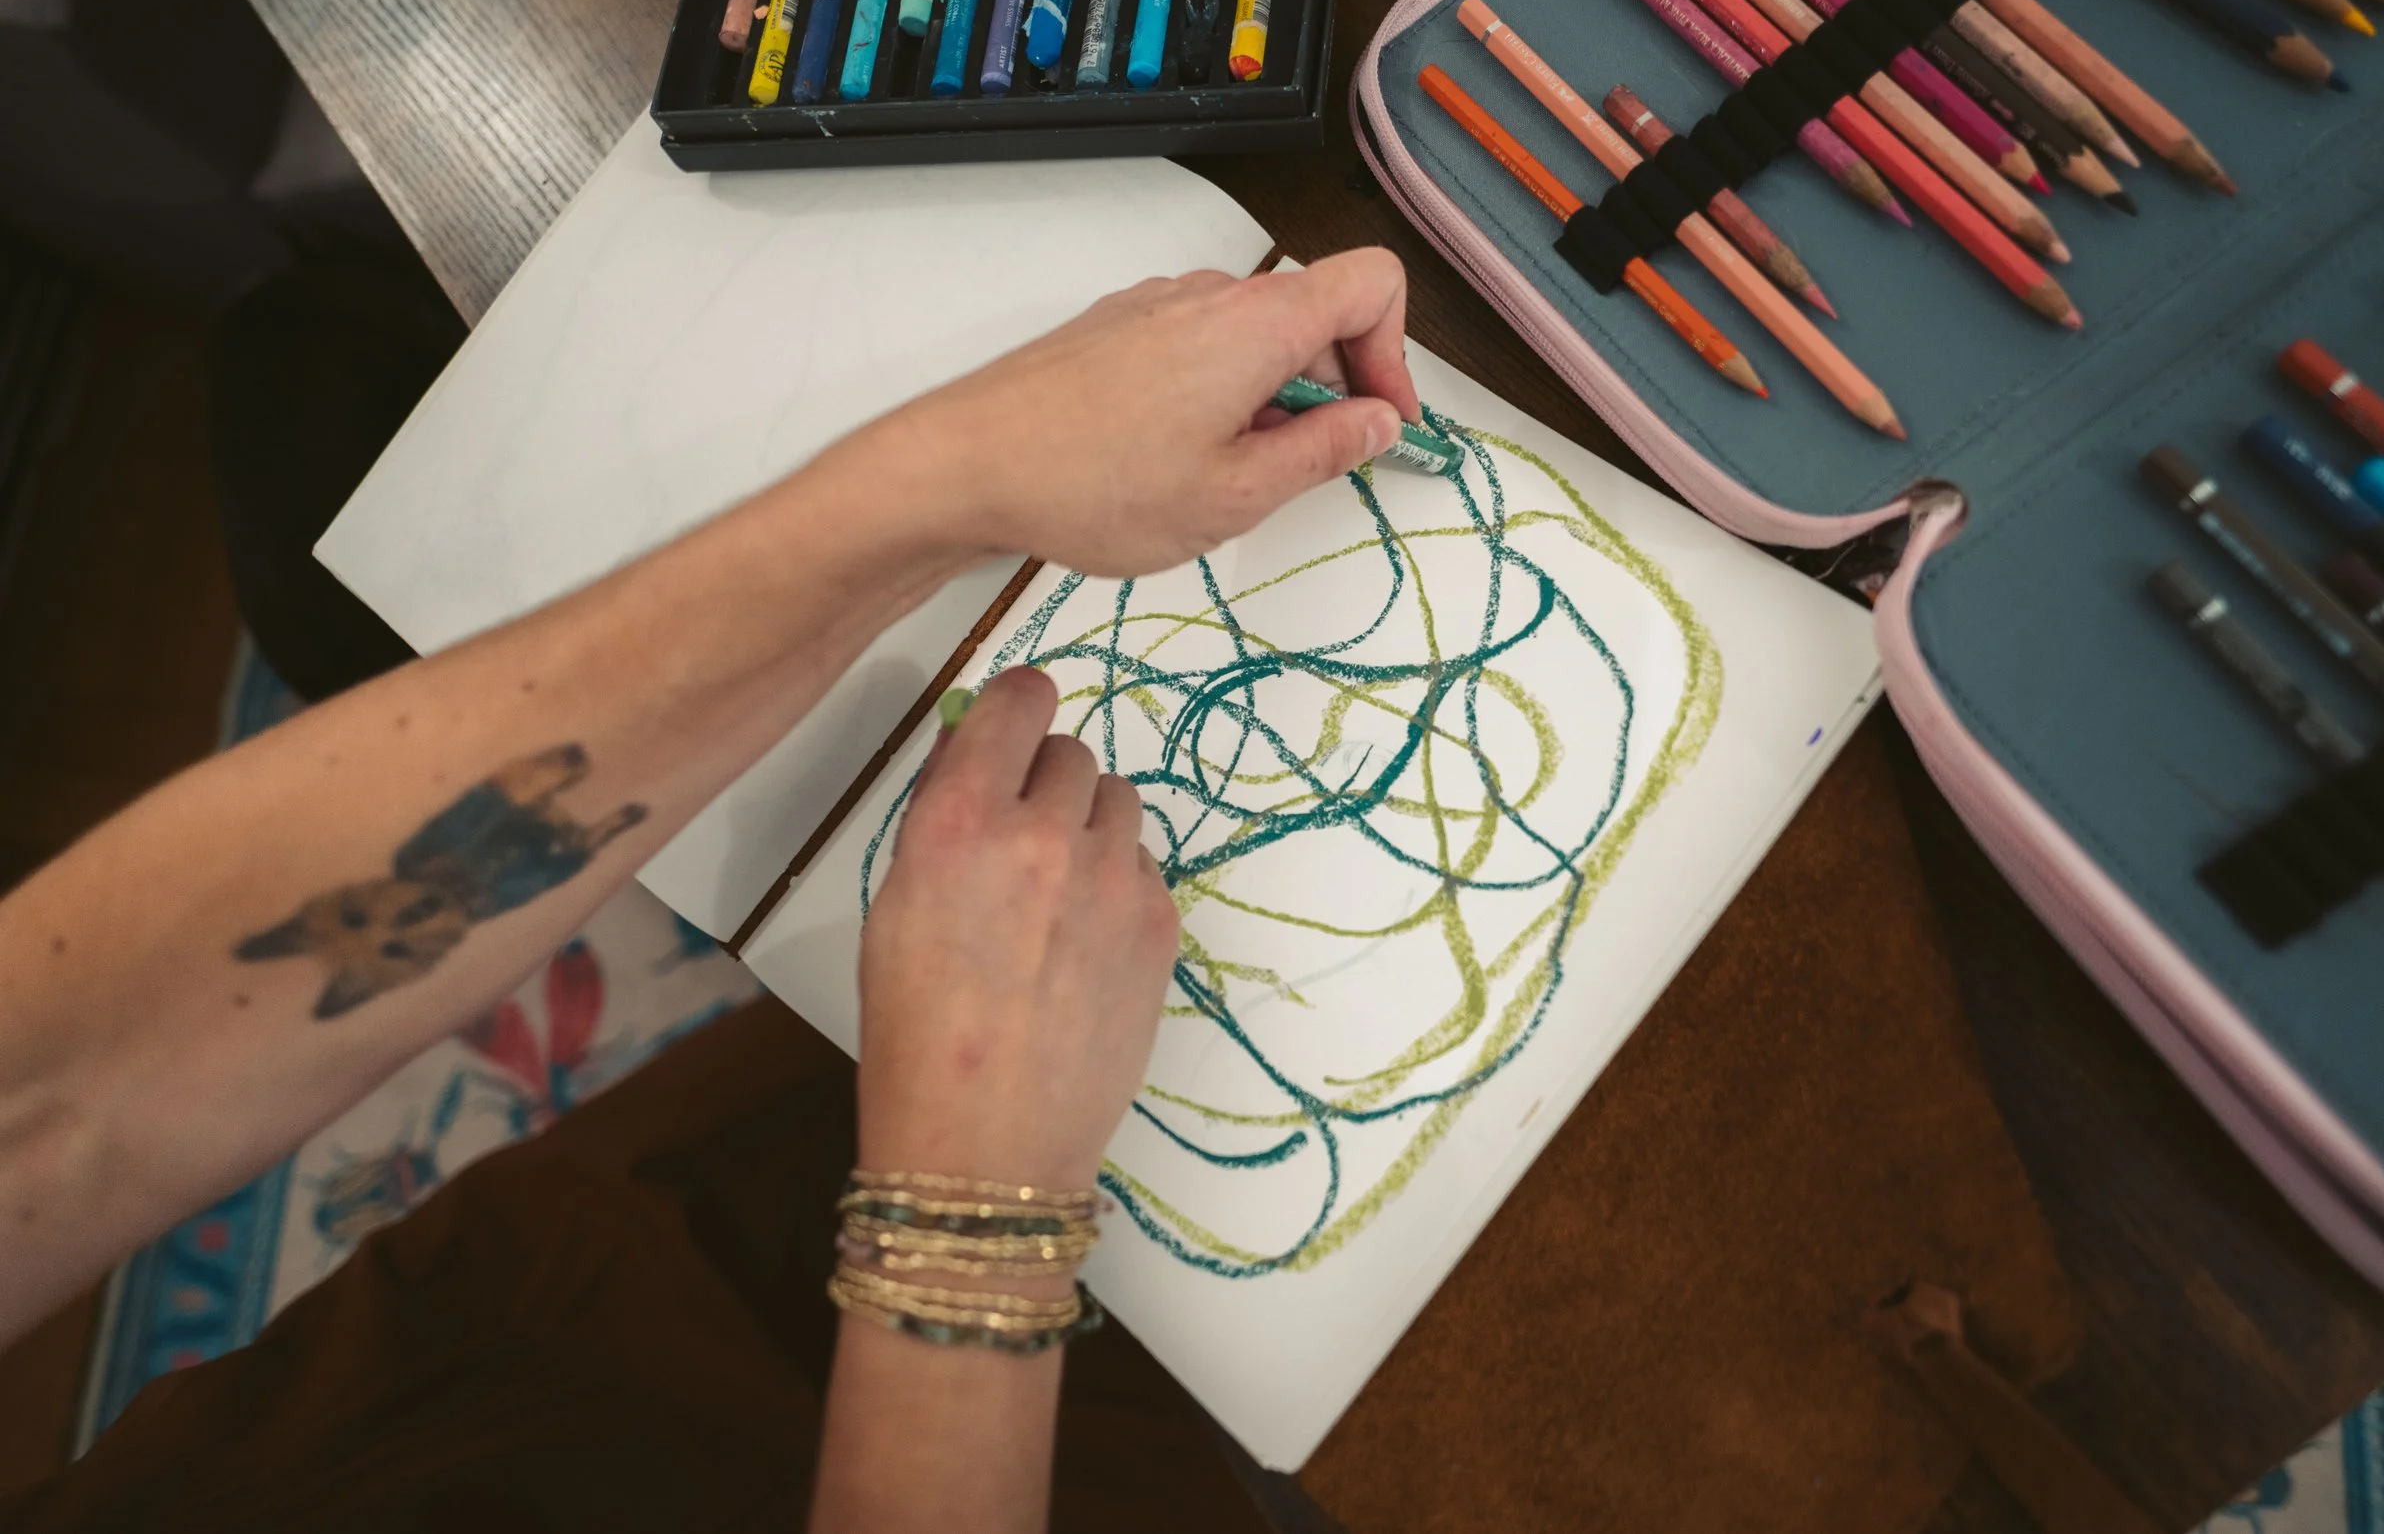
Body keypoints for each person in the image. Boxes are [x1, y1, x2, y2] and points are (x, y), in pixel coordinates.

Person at [0, 251, 1423, 1532]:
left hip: (443, 1397)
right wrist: (974, 1198)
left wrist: (956, 472)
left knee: (741, 1155)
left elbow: (48, 1100)